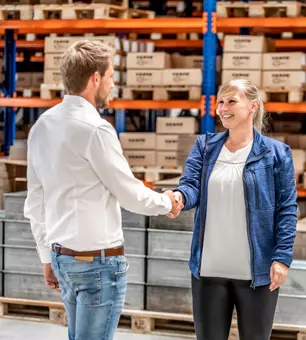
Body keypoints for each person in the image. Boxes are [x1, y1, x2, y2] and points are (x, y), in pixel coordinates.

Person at [24, 40, 183, 340]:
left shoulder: (42, 127)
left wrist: (46, 257)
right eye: (110, 76)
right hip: (98, 265)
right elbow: (129, 194)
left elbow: (36, 201)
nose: (112, 85)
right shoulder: (96, 130)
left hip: (62, 260)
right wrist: (168, 201)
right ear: (95, 78)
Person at [169, 79, 297, 340]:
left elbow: (286, 209)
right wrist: (179, 197)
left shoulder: (276, 154)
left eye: (231, 101)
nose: (223, 108)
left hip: (257, 272)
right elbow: (191, 186)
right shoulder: (205, 147)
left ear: (253, 106)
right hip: (209, 269)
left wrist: (282, 258)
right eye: (220, 102)